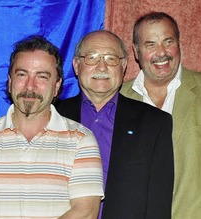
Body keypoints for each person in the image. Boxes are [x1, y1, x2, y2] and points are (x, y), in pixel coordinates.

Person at [0, 34, 104, 219]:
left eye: (42, 76)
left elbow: (85, 212)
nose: (30, 86)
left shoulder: (81, 140)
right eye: (22, 74)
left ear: (57, 86)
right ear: (9, 82)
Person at [120, 12, 201, 218]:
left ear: (179, 44)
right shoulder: (118, 98)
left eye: (168, 41)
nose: (161, 52)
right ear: (136, 51)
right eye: (150, 44)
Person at [57, 30, 173, 218]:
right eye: (92, 58)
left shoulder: (154, 123)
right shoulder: (52, 117)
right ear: (77, 66)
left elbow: (159, 203)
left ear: (124, 65)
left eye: (111, 59)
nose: (101, 67)